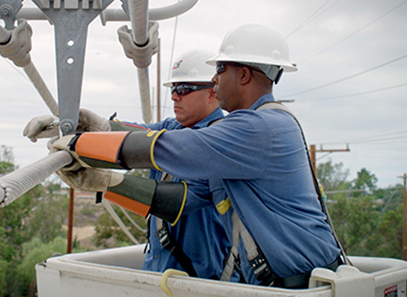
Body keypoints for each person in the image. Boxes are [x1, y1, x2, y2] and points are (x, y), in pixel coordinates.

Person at [49, 23, 343, 289]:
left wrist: (78, 145)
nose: (215, 79)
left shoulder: (259, 127)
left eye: (220, 70)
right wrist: (97, 155)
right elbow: (180, 199)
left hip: (303, 286)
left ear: (243, 74)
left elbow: (171, 148)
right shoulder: (240, 137)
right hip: (282, 284)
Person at [25, 50, 233, 280]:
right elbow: (131, 137)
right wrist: (73, 125)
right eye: (173, 89)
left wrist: (104, 182)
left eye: (183, 90)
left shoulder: (222, 142)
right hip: (156, 274)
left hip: (201, 281)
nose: (174, 97)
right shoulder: (173, 128)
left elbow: (182, 200)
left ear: (213, 92)